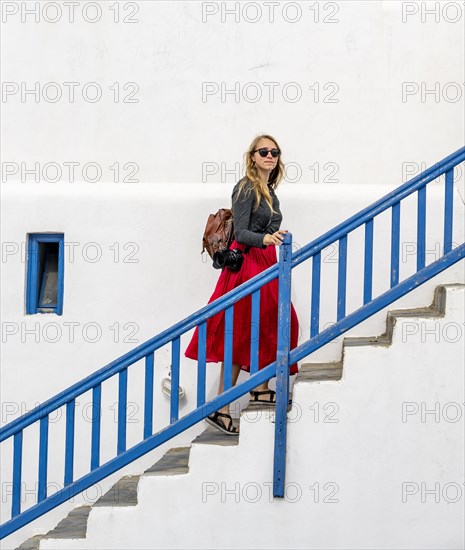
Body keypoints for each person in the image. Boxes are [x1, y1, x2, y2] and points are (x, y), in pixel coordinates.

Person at [184, 134, 299, 435]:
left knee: (265, 324)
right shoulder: (246, 187)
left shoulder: (270, 192)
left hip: (265, 262)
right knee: (243, 331)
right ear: (252, 157)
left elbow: (264, 228)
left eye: (275, 152)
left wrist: (273, 236)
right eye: (264, 151)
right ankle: (222, 408)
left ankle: (260, 388)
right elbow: (242, 233)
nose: (270, 156)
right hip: (247, 264)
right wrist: (266, 238)